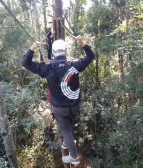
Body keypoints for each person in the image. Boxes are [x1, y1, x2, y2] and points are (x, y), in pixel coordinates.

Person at [22, 36, 95, 165]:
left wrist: (32, 48)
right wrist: (83, 44)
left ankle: (74, 157)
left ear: (54, 53)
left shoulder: (47, 69)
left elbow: (25, 63)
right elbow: (91, 56)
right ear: (65, 51)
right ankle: (67, 143)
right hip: (75, 106)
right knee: (70, 125)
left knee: (66, 131)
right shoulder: (74, 65)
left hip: (60, 108)